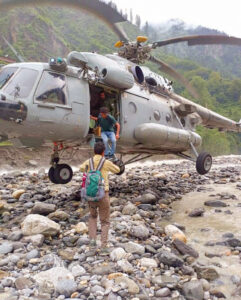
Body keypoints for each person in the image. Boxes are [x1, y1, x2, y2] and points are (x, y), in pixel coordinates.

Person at [80, 142, 120, 252]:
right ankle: (103, 247)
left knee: (93, 217)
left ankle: (92, 244)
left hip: (91, 195)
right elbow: (117, 170)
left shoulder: (89, 162)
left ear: (94, 151)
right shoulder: (106, 162)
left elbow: (80, 168)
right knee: (105, 221)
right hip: (103, 195)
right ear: (103, 152)